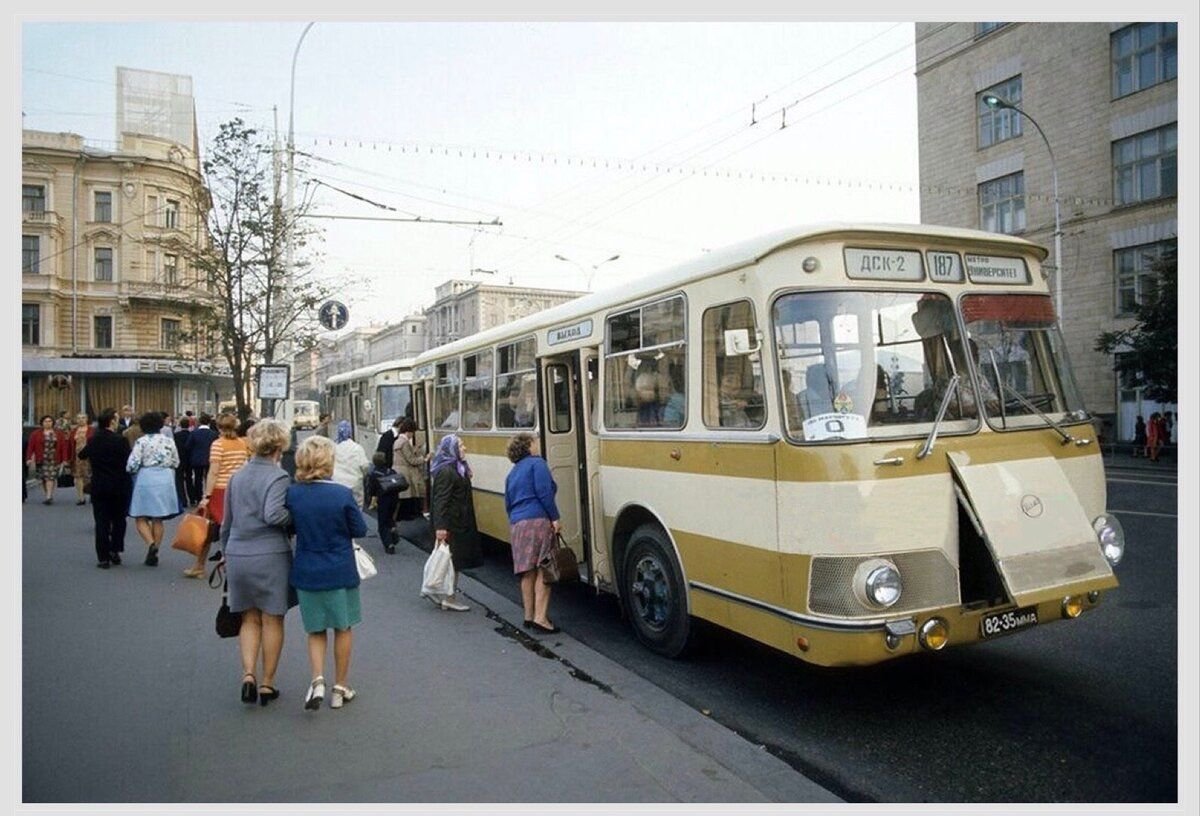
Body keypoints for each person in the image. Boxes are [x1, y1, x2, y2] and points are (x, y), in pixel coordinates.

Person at [287, 435, 368, 711]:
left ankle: (317, 679)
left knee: (315, 630)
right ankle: (340, 687)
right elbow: (360, 529)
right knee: (343, 628)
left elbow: (289, 527)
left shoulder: (293, 494)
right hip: (339, 570)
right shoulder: (341, 494)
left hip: (307, 570)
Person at [218, 420, 294, 707]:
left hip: (238, 552)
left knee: (248, 618)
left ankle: (248, 674)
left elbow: (227, 522)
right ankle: (266, 684)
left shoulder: (237, 476)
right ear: (278, 447)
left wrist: (226, 552)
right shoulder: (278, 477)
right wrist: (292, 519)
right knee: (272, 618)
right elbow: (274, 514)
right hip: (269, 554)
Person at [504, 433, 562, 634]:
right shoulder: (538, 464)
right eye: (535, 441)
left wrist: (516, 521)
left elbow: (508, 503)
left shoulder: (512, 473)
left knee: (526, 572)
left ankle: (528, 616)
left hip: (518, 524)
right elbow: (544, 492)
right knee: (544, 569)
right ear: (528, 446)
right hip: (538, 520)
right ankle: (541, 618)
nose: (538, 444)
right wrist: (554, 518)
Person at [194, 414, 252, 577]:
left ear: (218, 427)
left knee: (209, 529)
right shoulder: (242, 444)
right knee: (234, 528)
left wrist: (207, 495)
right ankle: (235, 564)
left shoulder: (218, 445)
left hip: (220, 490)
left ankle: (199, 566)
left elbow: (213, 472)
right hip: (238, 488)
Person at [429, 434, 482, 612]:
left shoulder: (456, 468)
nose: (464, 448)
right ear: (451, 450)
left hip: (457, 521)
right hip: (452, 524)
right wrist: (440, 527)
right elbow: (440, 501)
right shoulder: (447, 471)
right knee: (451, 562)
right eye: (460, 446)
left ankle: (436, 591)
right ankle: (449, 598)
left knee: (449, 561)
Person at [77, 408, 132, 568]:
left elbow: (82, 455)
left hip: (100, 484)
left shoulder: (94, 439)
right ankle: (115, 549)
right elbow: (128, 460)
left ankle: (103, 557)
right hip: (119, 484)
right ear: (112, 422)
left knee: (101, 521)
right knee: (119, 520)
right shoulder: (120, 440)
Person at [125, 411, 181, 566]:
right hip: (165, 478)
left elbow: (132, 464)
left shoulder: (141, 442)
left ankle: (150, 544)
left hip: (146, 478)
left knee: (140, 516)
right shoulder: (168, 441)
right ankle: (156, 547)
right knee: (158, 518)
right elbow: (176, 461)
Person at [25, 414, 69, 504]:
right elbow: (30, 447)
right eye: (46, 421)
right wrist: (29, 458)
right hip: (41, 458)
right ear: (42, 423)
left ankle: (48, 496)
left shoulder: (58, 433)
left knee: (50, 477)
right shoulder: (36, 434)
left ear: (53, 422)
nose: (48, 423)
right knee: (44, 478)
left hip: (54, 458)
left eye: (50, 421)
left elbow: (63, 447)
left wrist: (65, 459)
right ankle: (48, 495)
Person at [365, 452, 401, 554]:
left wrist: (372, 501)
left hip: (383, 499)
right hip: (394, 497)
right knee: (390, 517)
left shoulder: (374, 474)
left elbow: (372, 490)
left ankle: (389, 544)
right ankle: (393, 529)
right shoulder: (391, 471)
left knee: (382, 522)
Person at [392, 418, 426, 522]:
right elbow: (411, 460)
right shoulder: (405, 443)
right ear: (409, 431)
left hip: (398, 470)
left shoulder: (397, 441)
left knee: (402, 495)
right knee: (407, 495)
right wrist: (424, 459)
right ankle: (406, 516)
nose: (412, 435)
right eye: (412, 432)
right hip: (405, 472)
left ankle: (401, 515)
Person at [332, 420, 371, 509]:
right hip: (354, 484)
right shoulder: (357, 448)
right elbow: (365, 465)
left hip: (337, 484)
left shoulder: (334, 448)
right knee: (356, 508)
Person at [186, 414, 216, 507]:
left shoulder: (194, 433)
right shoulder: (213, 434)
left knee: (197, 479)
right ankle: (208, 496)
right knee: (208, 478)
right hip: (210, 458)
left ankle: (198, 497)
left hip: (197, 459)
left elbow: (188, 446)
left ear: (199, 422)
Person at [69, 412, 94, 505]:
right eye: (79, 418)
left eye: (83, 418)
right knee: (78, 476)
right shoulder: (74, 431)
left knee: (90, 476)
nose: (81, 420)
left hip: (90, 457)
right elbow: (70, 445)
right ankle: (81, 497)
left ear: (87, 419)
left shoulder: (92, 430)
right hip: (77, 458)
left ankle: (92, 494)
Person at [174, 417, 194, 506]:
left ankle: (183, 500)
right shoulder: (192, 434)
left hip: (179, 459)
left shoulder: (176, 435)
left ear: (180, 425)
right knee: (189, 479)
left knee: (179, 480)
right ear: (188, 425)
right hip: (189, 459)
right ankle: (192, 498)